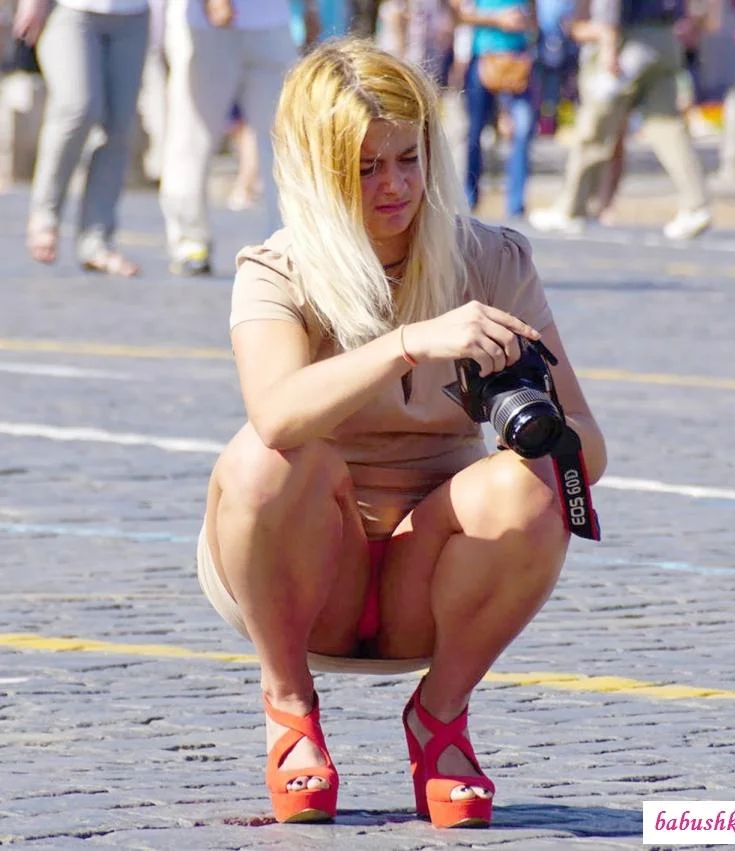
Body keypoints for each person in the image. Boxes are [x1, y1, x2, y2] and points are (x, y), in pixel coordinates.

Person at [195, 38, 606, 827]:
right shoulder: (277, 269)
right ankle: (289, 710)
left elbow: (590, 448)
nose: (395, 186)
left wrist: (534, 433)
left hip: (433, 573)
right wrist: (410, 343)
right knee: (264, 460)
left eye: (409, 159)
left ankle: (440, 716)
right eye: (365, 168)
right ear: (317, 171)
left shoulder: (491, 259)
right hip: (309, 571)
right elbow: (275, 415)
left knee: (531, 485)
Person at [159, 0, 318, 277]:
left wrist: (308, 8)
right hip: (205, 25)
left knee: (286, 136)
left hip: (272, 22)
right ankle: (189, 242)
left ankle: (289, 240)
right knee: (192, 136)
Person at [529, 0, 712, 240]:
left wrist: (608, 44)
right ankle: (696, 205)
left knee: (596, 127)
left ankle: (571, 208)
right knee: (667, 127)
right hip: (664, 39)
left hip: (629, 44)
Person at [13, 0, 149, 274]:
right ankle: (45, 214)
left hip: (133, 14)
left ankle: (96, 241)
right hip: (70, 9)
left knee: (119, 126)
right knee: (77, 107)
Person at [450, 0, 539, 217]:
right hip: (484, 60)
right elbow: (458, 15)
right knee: (475, 132)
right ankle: (469, 197)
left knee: (522, 130)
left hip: (518, 61)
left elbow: (535, 17)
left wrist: (525, 23)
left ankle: (516, 204)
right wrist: (497, 20)